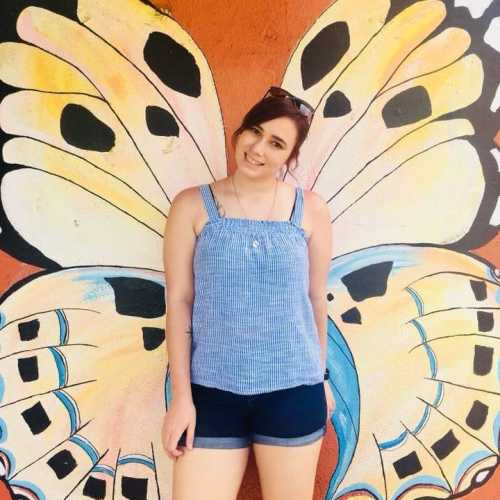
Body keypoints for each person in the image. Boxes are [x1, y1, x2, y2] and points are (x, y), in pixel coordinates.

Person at [162, 86, 335, 500]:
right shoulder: (191, 206)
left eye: (276, 143)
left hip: (294, 392)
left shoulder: (310, 210)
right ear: (239, 132)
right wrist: (181, 399)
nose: (258, 148)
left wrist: (321, 377)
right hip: (211, 396)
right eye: (254, 132)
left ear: (290, 157)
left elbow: (316, 299)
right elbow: (179, 303)